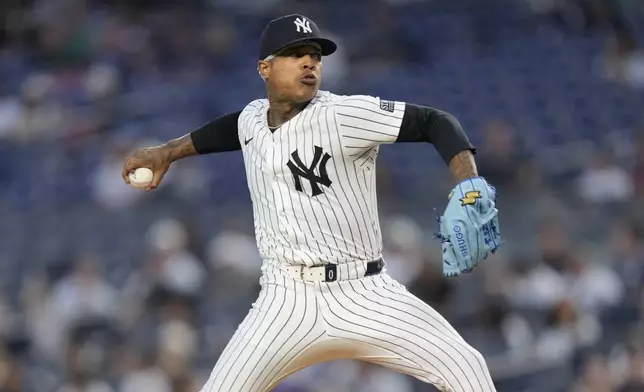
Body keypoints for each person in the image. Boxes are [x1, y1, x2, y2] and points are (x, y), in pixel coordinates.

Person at [122, 14, 501, 392]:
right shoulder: (252, 119)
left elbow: (435, 121)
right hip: (284, 299)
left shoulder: (344, 114)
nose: (309, 62)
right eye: (295, 54)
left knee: (467, 368)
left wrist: (470, 184)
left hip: (364, 291)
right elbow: (227, 131)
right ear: (264, 68)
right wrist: (169, 152)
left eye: (314, 56)